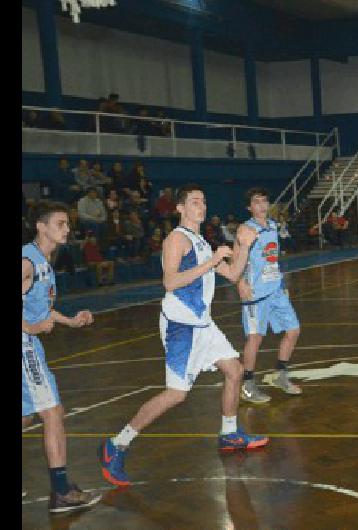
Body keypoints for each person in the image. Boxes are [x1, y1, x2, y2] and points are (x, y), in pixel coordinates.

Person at [98, 184, 266, 487]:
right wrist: (212, 262)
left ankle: (229, 433)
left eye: (203, 201)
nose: (201, 206)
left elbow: (231, 274)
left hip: (202, 323)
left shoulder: (201, 240)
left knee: (234, 369)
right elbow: (170, 281)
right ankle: (116, 444)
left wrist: (244, 246)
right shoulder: (177, 239)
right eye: (194, 201)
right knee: (176, 395)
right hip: (181, 326)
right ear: (180, 208)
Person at [22, 202, 101, 512]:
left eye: (67, 224)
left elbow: (43, 310)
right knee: (53, 412)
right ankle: (60, 491)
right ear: (41, 227)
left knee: (27, 416)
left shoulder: (44, 261)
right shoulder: (27, 261)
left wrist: (70, 320)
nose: (67, 229)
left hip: (29, 341)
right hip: (24, 344)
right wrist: (30, 326)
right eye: (60, 224)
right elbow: (34, 320)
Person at [235, 188, 303, 403]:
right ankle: (247, 384)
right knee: (255, 338)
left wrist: (282, 283)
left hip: (276, 290)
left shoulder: (273, 226)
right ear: (249, 207)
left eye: (265, 201)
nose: (262, 205)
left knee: (293, 330)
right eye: (257, 202)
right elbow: (235, 261)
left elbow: (272, 259)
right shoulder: (245, 229)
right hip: (256, 293)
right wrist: (240, 283)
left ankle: (281, 375)